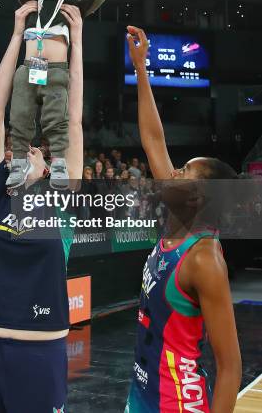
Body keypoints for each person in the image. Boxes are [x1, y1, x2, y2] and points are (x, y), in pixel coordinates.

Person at [0, 3, 84, 413]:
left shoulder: (59, 203)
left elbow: (73, 121)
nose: (29, 151)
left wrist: (77, 43)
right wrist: (16, 36)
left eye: (39, 152)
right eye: (22, 149)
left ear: (49, 167)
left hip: (39, 358)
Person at [124, 26, 242, 413]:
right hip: (143, 395)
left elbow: (229, 367)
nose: (172, 173)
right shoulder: (179, 218)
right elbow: (153, 141)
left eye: (183, 171)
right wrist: (141, 67)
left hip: (177, 403)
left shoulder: (204, 259)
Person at [6, 0, 103, 189]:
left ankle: (59, 163)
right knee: (19, 115)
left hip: (56, 72)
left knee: (56, 118)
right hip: (28, 68)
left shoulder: (74, 6)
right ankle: (18, 163)